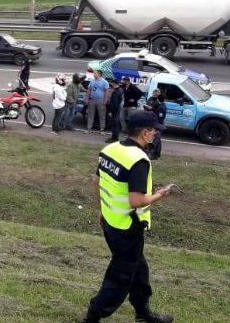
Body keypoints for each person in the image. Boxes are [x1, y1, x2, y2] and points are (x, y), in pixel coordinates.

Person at [82, 111, 174, 323]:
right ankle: (93, 315)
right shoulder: (139, 160)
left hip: (109, 222)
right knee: (120, 277)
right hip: (127, 228)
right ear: (144, 132)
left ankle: (143, 313)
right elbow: (137, 201)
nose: (155, 135)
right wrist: (159, 195)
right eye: (154, 131)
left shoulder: (110, 149)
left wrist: (101, 210)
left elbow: (96, 182)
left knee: (139, 270)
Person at [143, 89, 167, 160]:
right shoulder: (157, 103)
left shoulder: (162, 107)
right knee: (157, 140)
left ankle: (153, 154)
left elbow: (160, 118)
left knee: (156, 140)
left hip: (158, 124)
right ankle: (156, 154)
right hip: (155, 123)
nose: (155, 95)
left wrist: (156, 126)